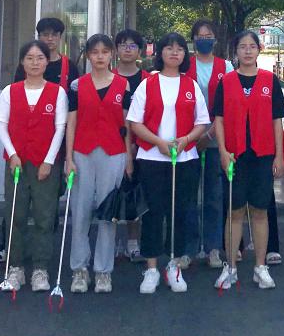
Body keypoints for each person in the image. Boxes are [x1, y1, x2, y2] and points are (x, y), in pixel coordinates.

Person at [127, 33, 211, 294]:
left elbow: (202, 122)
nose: (175, 53)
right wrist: (158, 142)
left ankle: (173, 266)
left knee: (181, 211)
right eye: (169, 48)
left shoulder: (191, 85)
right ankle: (152, 268)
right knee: (153, 212)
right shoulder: (148, 84)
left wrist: (186, 140)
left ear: (185, 55)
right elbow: (135, 122)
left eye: (180, 49)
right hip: (152, 158)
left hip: (184, 158)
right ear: (160, 53)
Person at [0, 16, 74, 264]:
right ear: (22, 62)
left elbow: (60, 128)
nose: (35, 63)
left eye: (39, 58)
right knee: (15, 214)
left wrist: (49, 161)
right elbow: (2, 125)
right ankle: (14, 265)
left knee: (44, 216)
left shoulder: (58, 92)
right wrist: (12, 154)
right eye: (29, 58)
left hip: (46, 163)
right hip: (16, 161)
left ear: (47, 61)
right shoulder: (11, 91)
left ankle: (40, 267)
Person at [212, 31, 284, 290]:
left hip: (262, 155)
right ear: (236, 51)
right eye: (242, 47)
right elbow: (218, 119)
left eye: (252, 46)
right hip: (235, 155)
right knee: (234, 212)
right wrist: (222, 151)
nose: (247, 51)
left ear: (258, 50)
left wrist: (279, 155)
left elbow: (277, 120)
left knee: (259, 211)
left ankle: (260, 267)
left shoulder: (269, 80)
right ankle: (230, 267)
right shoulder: (226, 81)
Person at [63, 35, 132, 294]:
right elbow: (71, 123)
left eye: (104, 51)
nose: (100, 56)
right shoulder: (77, 86)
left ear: (111, 54)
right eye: (95, 52)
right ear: (88, 55)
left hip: (113, 152)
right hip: (82, 152)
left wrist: (129, 158)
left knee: (107, 213)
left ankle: (104, 271)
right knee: (80, 211)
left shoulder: (123, 85)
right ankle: (79, 269)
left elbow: (127, 125)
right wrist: (68, 158)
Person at [183, 19, 234, 269]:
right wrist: (195, 137)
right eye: (199, 36)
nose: (204, 39)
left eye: (208, 35)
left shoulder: (226, 67)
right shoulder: (185, 66)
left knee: (214, 196)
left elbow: (229, 105)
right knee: (189, 196)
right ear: (193, 39)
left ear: (215, 39)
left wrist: (210, 134)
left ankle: (214, 248)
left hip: (216, 138)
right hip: (188, 139)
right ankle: (188, 249)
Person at [113, 28, 150, 262]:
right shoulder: (106, 76)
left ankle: (133, 242)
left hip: (142, 146)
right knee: (112, 194)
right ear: (116, 50)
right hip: (111, 144)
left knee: (136, 194)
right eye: (123, 45)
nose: (127, 49)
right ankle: (112, 243)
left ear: (139, 51)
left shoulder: (148, 79)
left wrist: (138, 143)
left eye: (132, 45)